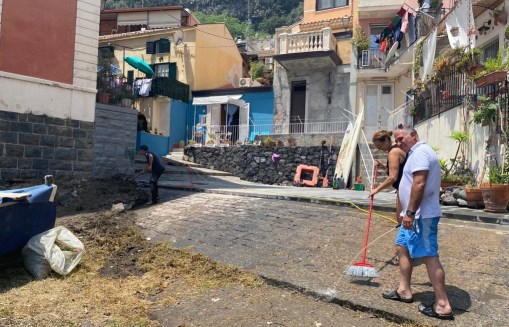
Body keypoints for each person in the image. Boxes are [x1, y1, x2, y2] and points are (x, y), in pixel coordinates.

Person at [382, 124, 454, 320]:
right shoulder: (414, 153)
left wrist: (411, 212)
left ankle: (442, 304)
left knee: (430, 255)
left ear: (413, 135)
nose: (397, 143)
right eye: (395, 140)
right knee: (402, 247)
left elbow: (419, 183)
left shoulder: (421, 152)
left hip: (421, 216)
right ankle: (404, 290)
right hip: (412, 215)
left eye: (400, 139)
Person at [370, 130, 407, 266]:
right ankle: (405, 254)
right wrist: (382, 166)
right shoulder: (396, 151)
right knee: (402, 220)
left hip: (405, 191)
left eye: (380, 146)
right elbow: (395, 170)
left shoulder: (393, 152)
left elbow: (393, 177)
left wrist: (376, 190)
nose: (379, 149)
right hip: (404, 189)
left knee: (403, 221)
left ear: (386, 140)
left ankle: (404, 256)